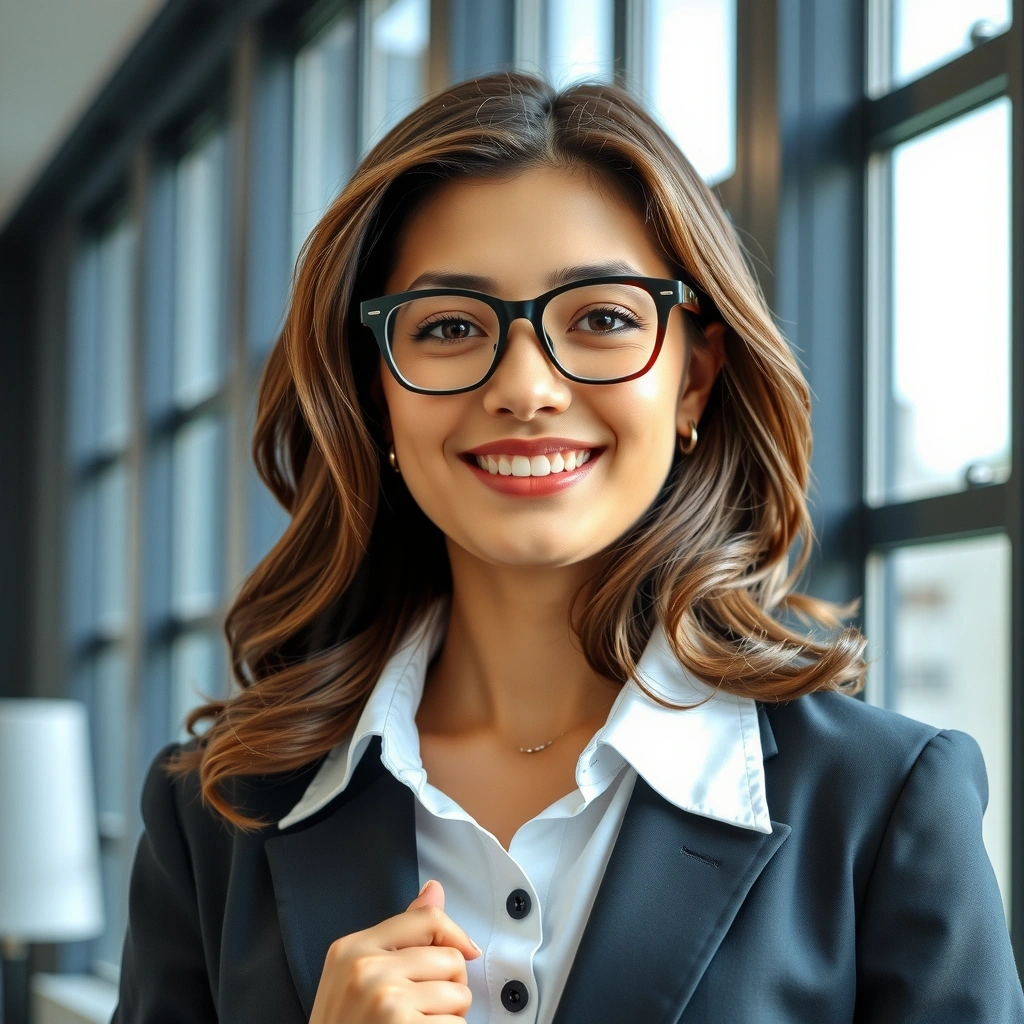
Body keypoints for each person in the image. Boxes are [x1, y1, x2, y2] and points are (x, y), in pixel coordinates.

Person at [111, 71, 1023, 1024]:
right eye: (452, 326)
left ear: (695, 381)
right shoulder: (215, 815)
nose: (526, 387)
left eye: (602, 318)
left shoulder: (883, 804)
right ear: (374, 389)